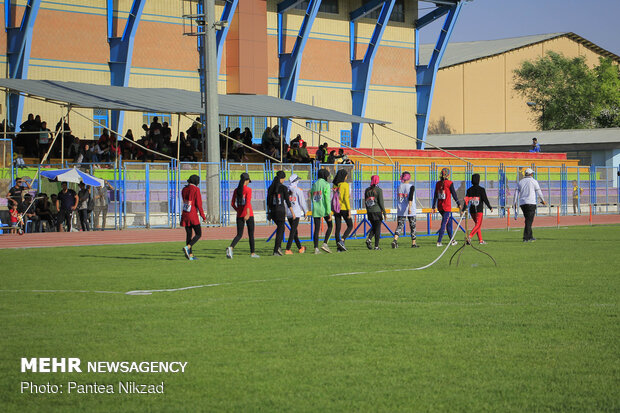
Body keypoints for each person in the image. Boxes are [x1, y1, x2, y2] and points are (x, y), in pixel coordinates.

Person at [227, 172, 259, 259]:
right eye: (248, 180)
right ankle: (252, 253)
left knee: (239, 234)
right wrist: (248, 213)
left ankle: (231, 247)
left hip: (239, 215)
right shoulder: (248, 190)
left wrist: (238, 210)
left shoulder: (236, 190)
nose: (249, 182)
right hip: (249, 214)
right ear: (246, 180)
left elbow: (233, 204)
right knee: (251, 234)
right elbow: (247, 203)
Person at [513, 167, 546, 242]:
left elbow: (516, 194)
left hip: (523, 203)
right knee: (529, 221)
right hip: (531, 203)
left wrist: (514, 203)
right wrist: (543, 200)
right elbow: (539, 192)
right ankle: (526, 238)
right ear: (531, 174)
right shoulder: (534, 181)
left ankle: (530, 236)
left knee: (528, 220)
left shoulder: (520, 182)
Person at [267, 170, 295, 256]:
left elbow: (268, 201)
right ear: (282, 179)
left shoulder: (271, 187)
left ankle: (278, 248)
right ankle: (276, 249)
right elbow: (287, 201)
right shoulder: (283, 188)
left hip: (273, 211)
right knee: (280, 229)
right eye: (284, 179)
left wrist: (268, 212)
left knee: (281, 228)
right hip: (280, 210)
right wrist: (292, 212)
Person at [432, 168, 461, 247]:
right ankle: (439, 241)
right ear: (448, 175)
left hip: (440, 206)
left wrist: (433, 206)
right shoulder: (449, 183)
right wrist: (458, 203)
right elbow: (454, 194)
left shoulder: (438, 183)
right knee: (444, 223)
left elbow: (435, 196)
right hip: (446, 207)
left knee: (449, 223)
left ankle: (452, 240)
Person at [181, 175, 206, 260]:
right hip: (193, 214)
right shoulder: (196, 189)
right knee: (198, 234)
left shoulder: (184, 189)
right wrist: (203, 216)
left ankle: (190, 255)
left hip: (185, 214)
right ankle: (188, 247)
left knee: (189, 234)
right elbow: (199, 204)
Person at [462, 173, 493, 245]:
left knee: (477, 225)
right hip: (479, 210)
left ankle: (481, 240)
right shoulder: (481, 189)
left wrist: (464, 209)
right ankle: (469, 237)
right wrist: (490, 207)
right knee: (478, 225)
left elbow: (466, 200)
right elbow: (485, 199)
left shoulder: (469, 190)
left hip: (472, 210)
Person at [392, 171, 418, 249]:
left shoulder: (399, 186)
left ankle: (395, 240)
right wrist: (409, 207)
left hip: (401, 209)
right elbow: (410, 198)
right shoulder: (411, 187)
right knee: (413, 226)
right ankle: (413, 243)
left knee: (400, 226)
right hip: (410, 209)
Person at [284, 174, 308, 254]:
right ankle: (288, 249)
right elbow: (302, 202)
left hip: (289, 213)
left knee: (294, 232)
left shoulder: (286, 189)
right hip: (296, 213)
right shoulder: (298, 190)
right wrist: (305, 211)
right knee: (293, 231)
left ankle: (300, 247)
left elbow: (285, 202)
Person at [311, 168, 333, 254]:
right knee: (330, 226)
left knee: (316, 229)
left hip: (316, 209)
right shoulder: (326, 184)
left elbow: (311, 196)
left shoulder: (314, 184)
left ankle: (316, 248)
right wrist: (329, 212)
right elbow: (327, 199)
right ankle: (325, 243)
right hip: (324, 208)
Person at [364, 175, 387, 250]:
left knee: (374, 227)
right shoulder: (379, 190)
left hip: (370, 211)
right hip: (377, 211)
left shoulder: (367, 190)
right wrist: (384, 212)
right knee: (377, 229)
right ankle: (376, 246)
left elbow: (366, 202)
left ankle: (369, 239)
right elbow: (381, 202)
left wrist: (368, 211)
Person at [332, 169, 352, 252]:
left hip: (336, 208)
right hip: (343, 208)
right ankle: (342, 240)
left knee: (338, 228)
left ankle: (338, 247)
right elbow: (345, 199)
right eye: (346, 175)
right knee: (350, 225)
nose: (347, 177)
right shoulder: (345, 185)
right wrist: (349, 209)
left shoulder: (335, 185)